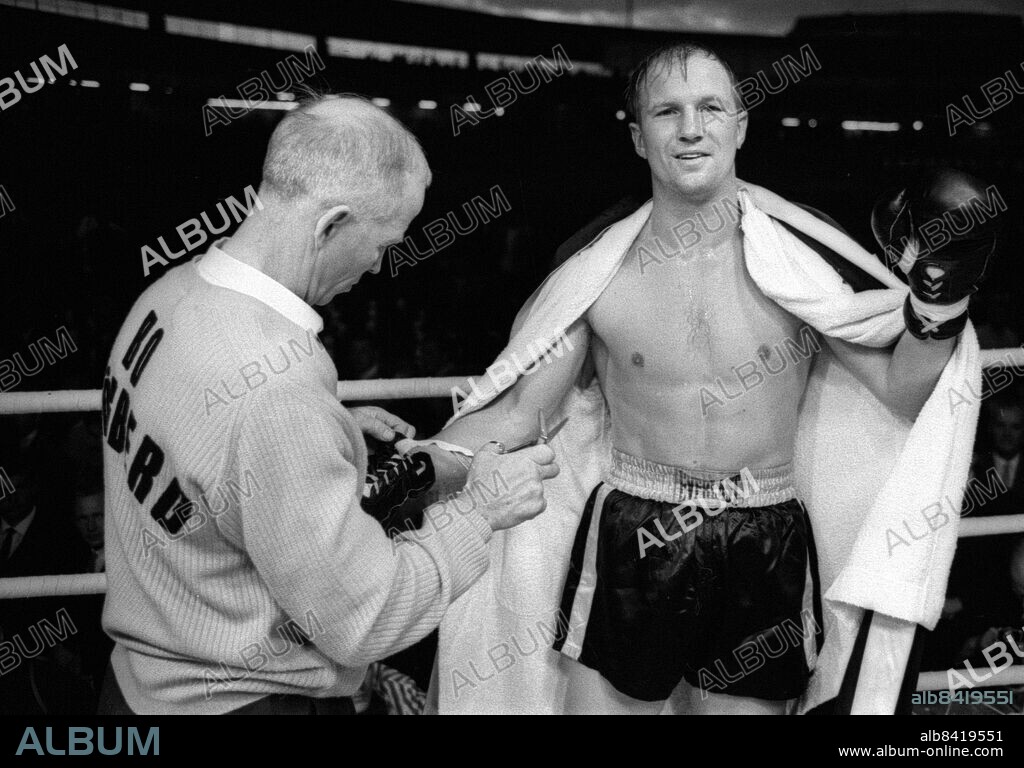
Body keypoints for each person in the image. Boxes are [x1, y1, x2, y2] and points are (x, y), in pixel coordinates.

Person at [403, 41, 995, 714]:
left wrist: (944, 299)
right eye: (667, 111)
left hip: (764, 533)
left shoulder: (799, 264)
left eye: (711, 107)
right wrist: (421, 463)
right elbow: (517, 417)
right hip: (634, 526)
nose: (690, 128)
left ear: (740, 125)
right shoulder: (598, 273)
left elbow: (902, 390)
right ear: (637, 135)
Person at [98, 94, 557, 715]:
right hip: (248, 701)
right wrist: (479, 511)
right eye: (384, 243)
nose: (378, 266)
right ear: (330, 224)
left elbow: (199, 454)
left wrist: (331, 437)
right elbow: (369, 619)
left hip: (137, 688)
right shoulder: (278, 392)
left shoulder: (165, 297)